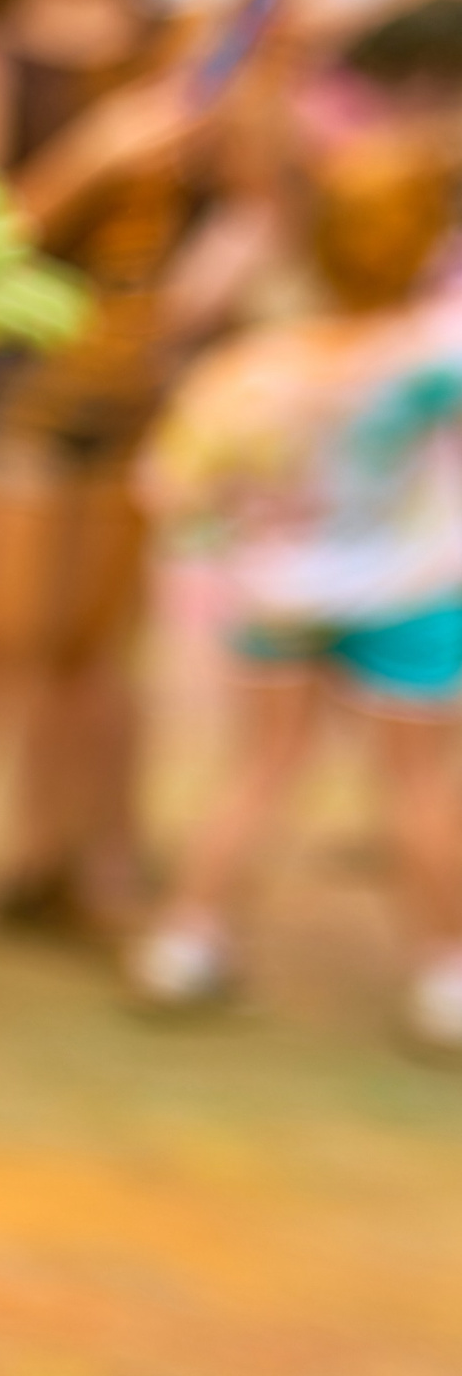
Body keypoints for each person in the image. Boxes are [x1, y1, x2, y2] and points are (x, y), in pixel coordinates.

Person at [0, 0, 267, 934]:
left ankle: (75, 868)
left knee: (97, 657)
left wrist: (207, 285)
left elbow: (250, 207)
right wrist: (100, 151)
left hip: (135, 388)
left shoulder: (186, 50)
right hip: (17, 385)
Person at [129, 129, 462, 1054]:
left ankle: (185, 939)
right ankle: (446, 973)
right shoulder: (437, 353)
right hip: (411, 591)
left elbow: (171, 488)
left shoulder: (254, 369)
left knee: (260, 767)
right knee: (420, 784)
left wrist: (234, 539)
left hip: (277, 592)